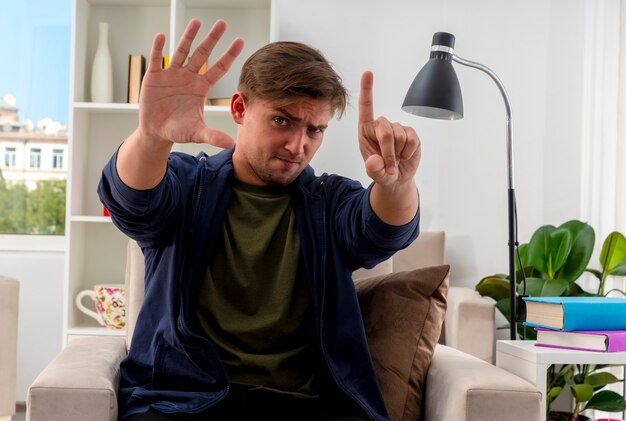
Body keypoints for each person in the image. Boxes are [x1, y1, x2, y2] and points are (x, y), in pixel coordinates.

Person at [98, 18, 421, 421]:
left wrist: (397, 184)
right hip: (186, 401)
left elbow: (382, 232)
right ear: (239, 108)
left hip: (308, 407)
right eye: (282, 120)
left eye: (314, 130)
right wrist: (151, 138)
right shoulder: (187, 183)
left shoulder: (329, 201)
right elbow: (131, 201)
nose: (297, 145)